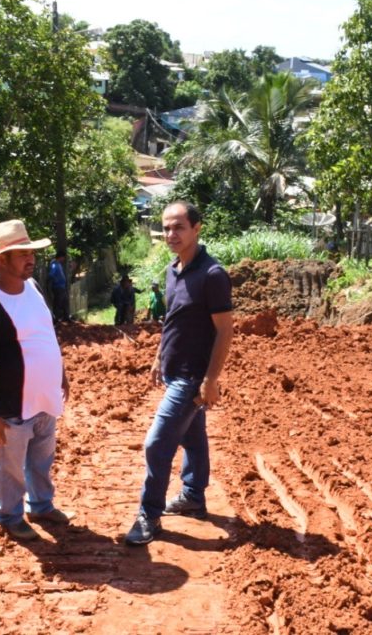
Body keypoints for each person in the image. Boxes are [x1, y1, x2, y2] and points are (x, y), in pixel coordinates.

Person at [125, 201, 233, 545]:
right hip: (174, 369)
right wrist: (160, 356)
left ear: (197, 228)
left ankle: (149, 515)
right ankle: (194, 497)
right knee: (193, 437)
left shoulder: (212, 275)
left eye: (179, 227)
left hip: (192, 376)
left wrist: (210, 379)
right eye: (166, 228)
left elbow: (225, 331)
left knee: (157, 443)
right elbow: (174, 321)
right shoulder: (174, 270)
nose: (171, 234)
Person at [0, 219, 73, 541]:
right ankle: (10, 515)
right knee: (10, 468)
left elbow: (45, 334)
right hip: (11, 407)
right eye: (22, 254)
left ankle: (41, 505)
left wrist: (61, 374)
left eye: (31, 252)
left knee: (42, 459)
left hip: (44, 398)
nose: (31, 259)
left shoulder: (33, 288)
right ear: (1, 260)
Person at [47, 250, 71, 323]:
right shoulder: (54, 264)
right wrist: (55, 280)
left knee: (65, 302)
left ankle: (66, 317)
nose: (64, 259)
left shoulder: (58, 264)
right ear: (60, 257)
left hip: (62, 286)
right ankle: (55, 320)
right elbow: (51, 274)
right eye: (63, 258)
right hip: (58, 287)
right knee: (58, 303)